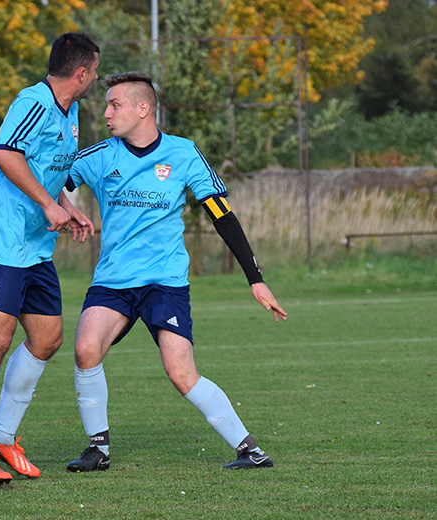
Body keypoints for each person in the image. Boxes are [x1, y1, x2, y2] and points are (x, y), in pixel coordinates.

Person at [60, 71, 287, 472]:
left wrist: (256, 279)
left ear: (143, 108)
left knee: (181, 373)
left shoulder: (183, 153)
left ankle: (250, 451)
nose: (106, 113)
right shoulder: (100, 156)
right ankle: (98, 449)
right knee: (85, 350)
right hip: (113, 281)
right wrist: (9, 171)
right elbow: (48, 179)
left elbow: (222, 215)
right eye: (107, 105)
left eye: (115, 105)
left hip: (164, 283)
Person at [0, 32, 99, 484]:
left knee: (48, 338)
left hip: (34, 248)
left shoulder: (70, 111)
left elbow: (45, 169)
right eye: (95, 71)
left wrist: (68, 207)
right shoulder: (33, 101)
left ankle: (1, 435)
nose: (96, 79)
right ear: (81, 73)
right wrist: (48, 204)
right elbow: (5, 154)